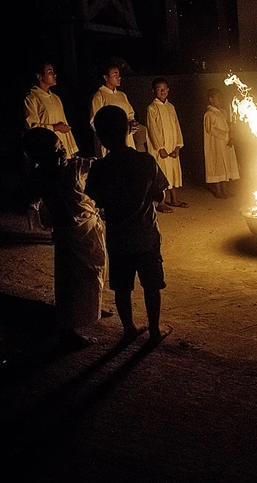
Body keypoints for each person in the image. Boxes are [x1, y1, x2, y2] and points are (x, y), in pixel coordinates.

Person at [85, 105, 170, 345]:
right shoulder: (145, 161)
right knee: (151, 286)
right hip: (146, 237)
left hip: (118, 239)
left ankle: (129, 328)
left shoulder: (100, 168)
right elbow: (160, 196)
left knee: (122, 288)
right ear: (127, 129)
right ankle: (154, 330)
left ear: (100, 136)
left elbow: (97, 200)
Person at [22, 127, 106, 351]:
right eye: (55, 151)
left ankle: (94, 307)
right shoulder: (41, 177)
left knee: (95, 270)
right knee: (72, 281)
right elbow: (32, 199)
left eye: (61, 147)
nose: (62, 154)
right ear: (39, 157)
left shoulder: (74, 166)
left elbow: (98, 163)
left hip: (88, 228)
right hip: (68, 235)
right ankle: (67, 331)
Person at [147, 77, 188, 213]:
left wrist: (177, 146)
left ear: (168, 90)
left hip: (172, 147)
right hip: (161, 149)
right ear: (154, 91)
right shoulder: (152, 108)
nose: (162, 91)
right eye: (159, 89)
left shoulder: (171, 107)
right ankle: (161, 202)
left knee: (173, 173)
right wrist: (160, 148)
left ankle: (174, 199)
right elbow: (153, 130)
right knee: (162, 175)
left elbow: (177, 127)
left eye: (164, 88)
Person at [24, 61, 80, 160]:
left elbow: (65, 126)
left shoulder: (56, 98)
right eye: (50, 72)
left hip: (62, 153)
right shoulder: (31, 98)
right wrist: (55, 128)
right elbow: (32, 128)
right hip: (45, 152)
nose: (54, 75)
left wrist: (72, 150)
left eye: (53, 72)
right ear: (39, 76)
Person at [90, 61, 142, 158]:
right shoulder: (99, 96)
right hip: (111, 144)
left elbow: (131, 114)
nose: (119, 77)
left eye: (119, 74)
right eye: (115, 75)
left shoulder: (122, 95)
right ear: (106, 77)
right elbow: (95, 122)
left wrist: (133, 124)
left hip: (127, 139)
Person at [203, 88, 240, 199]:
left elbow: (228, 125)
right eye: (218, 97)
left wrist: (231, 134)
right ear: (211, 99)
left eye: (221, 97)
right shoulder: (209, 114)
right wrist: (226, 136)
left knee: (226, 166)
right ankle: (218, 190)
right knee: (217, 166)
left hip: (225, 144)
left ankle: (225, 189)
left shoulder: (223, 112)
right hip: (216, 144)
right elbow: (211, 129)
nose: (220, 99)